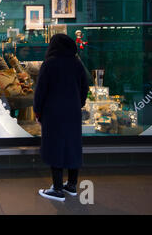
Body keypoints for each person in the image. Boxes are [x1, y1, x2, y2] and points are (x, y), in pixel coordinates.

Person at [33, 33, 89, 202]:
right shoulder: (76, 63)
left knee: (55, 146)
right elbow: (85, 86)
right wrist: (78, 103)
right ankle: (71, 185)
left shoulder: (49, 63)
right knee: (72, 145)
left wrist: (37, 111)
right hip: (72, 112)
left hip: (53, 112)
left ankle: (57, 189)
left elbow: (40, 91)